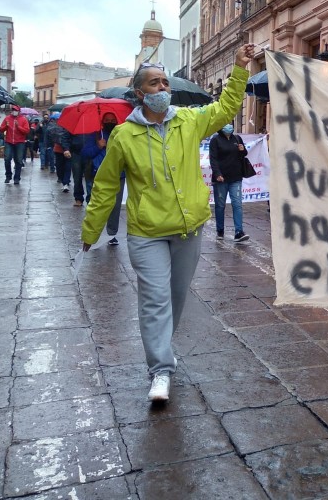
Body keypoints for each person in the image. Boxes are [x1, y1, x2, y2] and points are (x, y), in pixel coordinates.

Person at [81, 43, 253, 403]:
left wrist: (240, 68)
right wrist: (91, 229)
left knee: (175, 298)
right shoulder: (123, 136)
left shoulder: (188, 122)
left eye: (165, 83)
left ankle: (163, 348)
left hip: (188, 228)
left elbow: (224, 109)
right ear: (139, 93)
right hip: (146, 233)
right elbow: (107, 184)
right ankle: (160, 369)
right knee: (155, 298)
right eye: (155, 83)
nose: (162, 88)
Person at [80, 112, 123, 245]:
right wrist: (98, 146)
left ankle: (112, 233)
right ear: (103, 121)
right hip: (97, 173)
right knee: (96, 203)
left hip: (118, 174)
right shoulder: (96, 135)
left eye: (112, 120)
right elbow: (85, 153)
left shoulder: (121, 134)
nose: (110, 122)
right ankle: (93, 232)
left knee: (115, 206)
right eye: (107, 120)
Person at [209, 123, 250, 242]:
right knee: (220, 205)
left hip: (236, 177)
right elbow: (213, 158)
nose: (228, 127)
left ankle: (239, 231)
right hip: (221, 179)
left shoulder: (237, 138)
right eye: (225, 124)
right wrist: (217, 174)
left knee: (237, 204)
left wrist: (242, 150)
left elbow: (243, 154)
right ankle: (220, 230)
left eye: (230, 124)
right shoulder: (215, 140)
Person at [0, 102, 30, 184]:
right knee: (7, 159)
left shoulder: (23, 119)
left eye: (15, 110)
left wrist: (18, 126)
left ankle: (17, 178)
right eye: (12, 110)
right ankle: (8, 176)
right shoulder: (7, 118)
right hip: (9, 142)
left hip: (20, 142)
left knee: (18, 161)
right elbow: (1, 129)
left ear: (19, 111)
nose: (13, 111)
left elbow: (26, 131)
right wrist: (6, 126)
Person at [48, 113, 71, 191]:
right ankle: (62, 179)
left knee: (68, 167)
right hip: (58, 149)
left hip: (68, 150)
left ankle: (66, 183)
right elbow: (50, 136)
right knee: (59, 167)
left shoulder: (69, 126)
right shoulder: (54, 127)